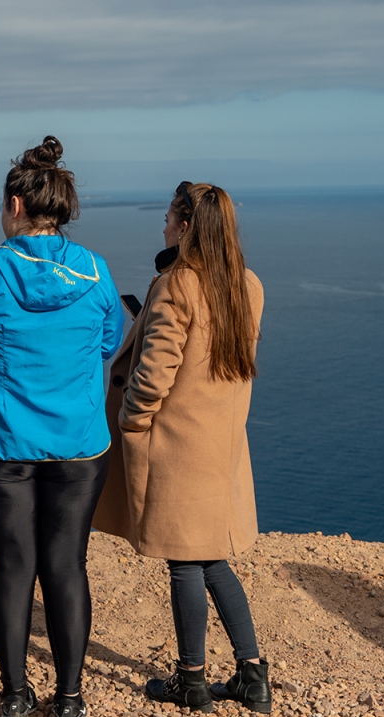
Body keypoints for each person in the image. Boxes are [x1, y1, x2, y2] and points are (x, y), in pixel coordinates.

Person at [0, 137, 124, 717]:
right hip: (78, 444)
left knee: (12, 565)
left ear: (16, 206)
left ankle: (16, 697)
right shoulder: (96, 271)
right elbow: (108, 343)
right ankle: (70, 699)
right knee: (67, 564)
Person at [92, 181, 270, 713]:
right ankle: (252, 674)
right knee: (209, 557)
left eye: (169, 218)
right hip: (221, 444)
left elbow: (153, 374)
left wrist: (131, 423)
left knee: (185, 563)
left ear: (187, 226)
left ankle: (192, 681)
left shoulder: (178, 284)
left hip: (175, 445)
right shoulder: (248, 285)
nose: (163, 226)